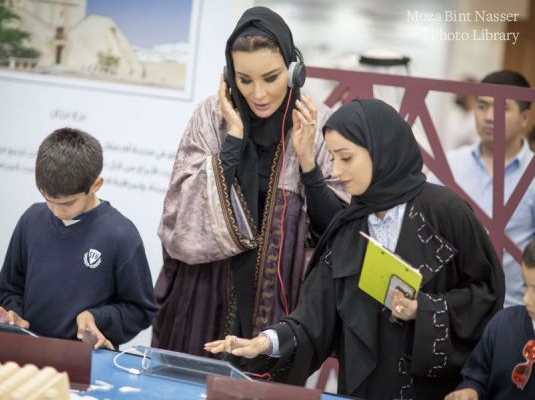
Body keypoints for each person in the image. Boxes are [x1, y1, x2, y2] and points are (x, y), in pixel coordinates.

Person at [206, 99, 505, 399]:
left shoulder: (445, 212)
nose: (336, 170)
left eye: (346, 158)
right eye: (334, 158)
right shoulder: (349, 226)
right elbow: (314, 318)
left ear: (381, 150)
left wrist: (425, 309)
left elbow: (486, 293)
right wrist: (267, 342)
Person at [153, 6, 349, 358]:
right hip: (202, 296)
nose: (258, 94)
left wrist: (308, 164)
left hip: (278, 307)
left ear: (293, 71)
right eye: (245, 80)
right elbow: (178, 220)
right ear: (229, 76)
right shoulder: (211, 118)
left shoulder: (317, 125)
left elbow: (338, 232)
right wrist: (234, 139)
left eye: (271, 78)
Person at [0, 128, 158, 349]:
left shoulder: (121, 235)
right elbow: (10, 287)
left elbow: (141, 310)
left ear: (96, 185)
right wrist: (14, 316)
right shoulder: (31, 219)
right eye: (48, 199)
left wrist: (96, 318)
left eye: (68, 203)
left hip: (85, 360)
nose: (57, 212)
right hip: (26, 351)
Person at [430, 69, 534, 308]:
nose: (489, 117)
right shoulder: (448, 166)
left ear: (525, 118)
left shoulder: (532, 175)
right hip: (450, 311)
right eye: (482, 106)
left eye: (503, 109)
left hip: (511, 312)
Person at [445, 237, 535, 399]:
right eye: (525, 286)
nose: (526, 299)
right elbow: (477, 376)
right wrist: (470, 391)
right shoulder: (501, 325)